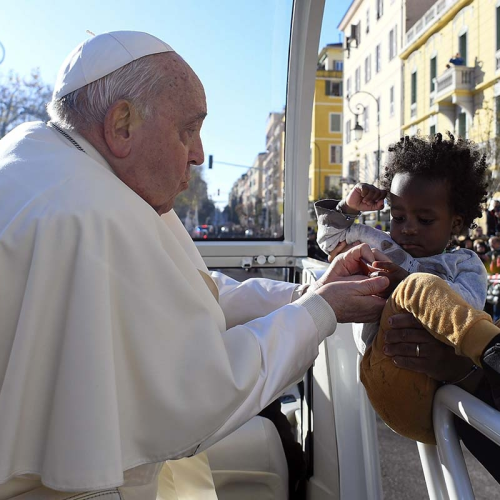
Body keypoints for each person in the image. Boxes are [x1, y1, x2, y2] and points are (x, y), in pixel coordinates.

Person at [0, 31, 389, 499]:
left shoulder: (50, 161)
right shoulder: (93, 215)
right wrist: (321, 311)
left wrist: (306, 293)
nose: (200, 154)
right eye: (188, 129)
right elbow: (201, 389)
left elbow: (188, 288)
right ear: (121, 124)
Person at [315, 133, 489, 443]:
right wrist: (349, 205)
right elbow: (331, 240)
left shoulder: (466, 264)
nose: (407, 227)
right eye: (398, 216)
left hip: (454, 390)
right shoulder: (383, 245)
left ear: (456, 223)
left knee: (421, 285)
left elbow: (469, 307)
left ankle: (490, 351)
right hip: (389, 373)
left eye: (424, 220)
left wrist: (405, 285)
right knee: (419, 285)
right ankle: (494, 351)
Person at [379, 272, 500, 482]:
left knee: (416, 285)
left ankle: (491, 351)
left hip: (448, 403)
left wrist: (465, 372)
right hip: (412, 390)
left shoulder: (466, 264)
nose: (409, 236)